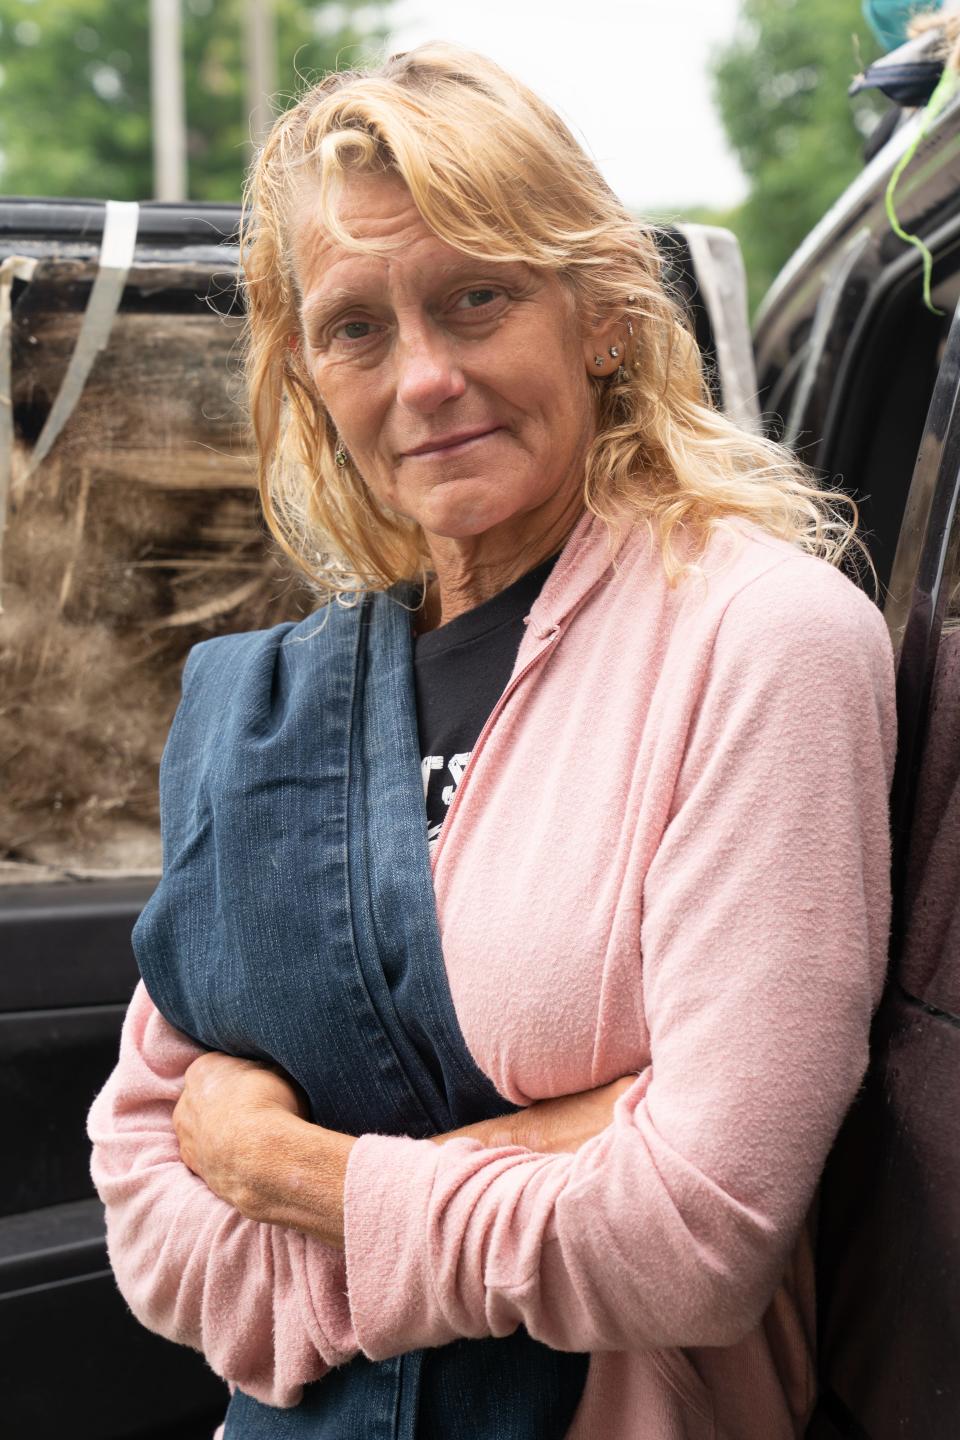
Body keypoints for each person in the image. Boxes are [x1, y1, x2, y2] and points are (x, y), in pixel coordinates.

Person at [88, 42, 896, 1440]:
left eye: (477, 299)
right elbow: (149, 1208)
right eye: (356, 329)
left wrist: (296, 1178)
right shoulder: (269, 705)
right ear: (309, 378)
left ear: (597, 310)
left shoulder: (754, 640)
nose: (425, 378)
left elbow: (696, 1237)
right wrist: (556, 1148)